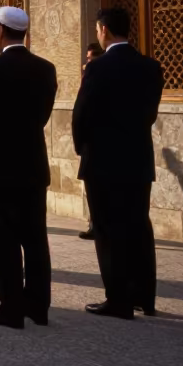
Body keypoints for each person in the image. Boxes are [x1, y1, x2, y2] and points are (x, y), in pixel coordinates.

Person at [0, 7, 57, 329]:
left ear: (0, 30)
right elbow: (42, 116)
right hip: (32, 166)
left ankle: (12, 309)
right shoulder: (46, 69)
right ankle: (38, 306)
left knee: (4, 242)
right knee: (35, 240)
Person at [72, 7, 163, 320]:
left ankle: (118, 299)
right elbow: (149, 114)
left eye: (98, 30)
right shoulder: (151, 67)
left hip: (103, 161)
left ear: (105, 30)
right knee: (138, 226)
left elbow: (81, 113)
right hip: (137, 159)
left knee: (108, 230)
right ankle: (144, 297)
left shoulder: (97, 68)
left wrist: (83, 148)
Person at [78, 43, 103, 241]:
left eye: (91, 58)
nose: (88, 62)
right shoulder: (88, 76)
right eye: (87, 59)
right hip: (90, 144)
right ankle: (94, 222)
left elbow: (81, 112)